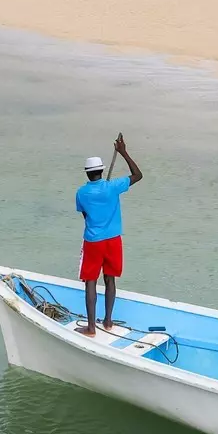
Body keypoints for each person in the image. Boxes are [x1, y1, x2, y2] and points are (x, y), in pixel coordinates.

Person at [74, 134, 143, 335]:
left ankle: (91, 327)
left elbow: (85, 216)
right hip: (113, 240)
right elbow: (138, 175)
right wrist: (123, 152)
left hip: (94, 241)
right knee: (110, 279)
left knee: (91, 281)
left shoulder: (81, 193)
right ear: (102, 171)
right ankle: (108, 320)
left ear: (87, 174)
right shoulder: (113, 187)